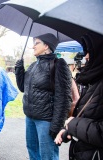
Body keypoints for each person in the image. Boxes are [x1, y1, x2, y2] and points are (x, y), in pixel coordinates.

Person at [15, 33, 72, 160]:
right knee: (33, 151)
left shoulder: (58, 64)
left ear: (46, 46)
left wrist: (57, 125)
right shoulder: (33, 66)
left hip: (46, 121)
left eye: (36, 43)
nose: (33, 46)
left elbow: (64, 99)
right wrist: (19, 70)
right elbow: (22, 88)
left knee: (48, 156)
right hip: (30, 118)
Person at [54, 31, 103, 160]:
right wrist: (70, 130)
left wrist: (74, 124)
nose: (86, 56)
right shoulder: (95, 81)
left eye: (90, 50)